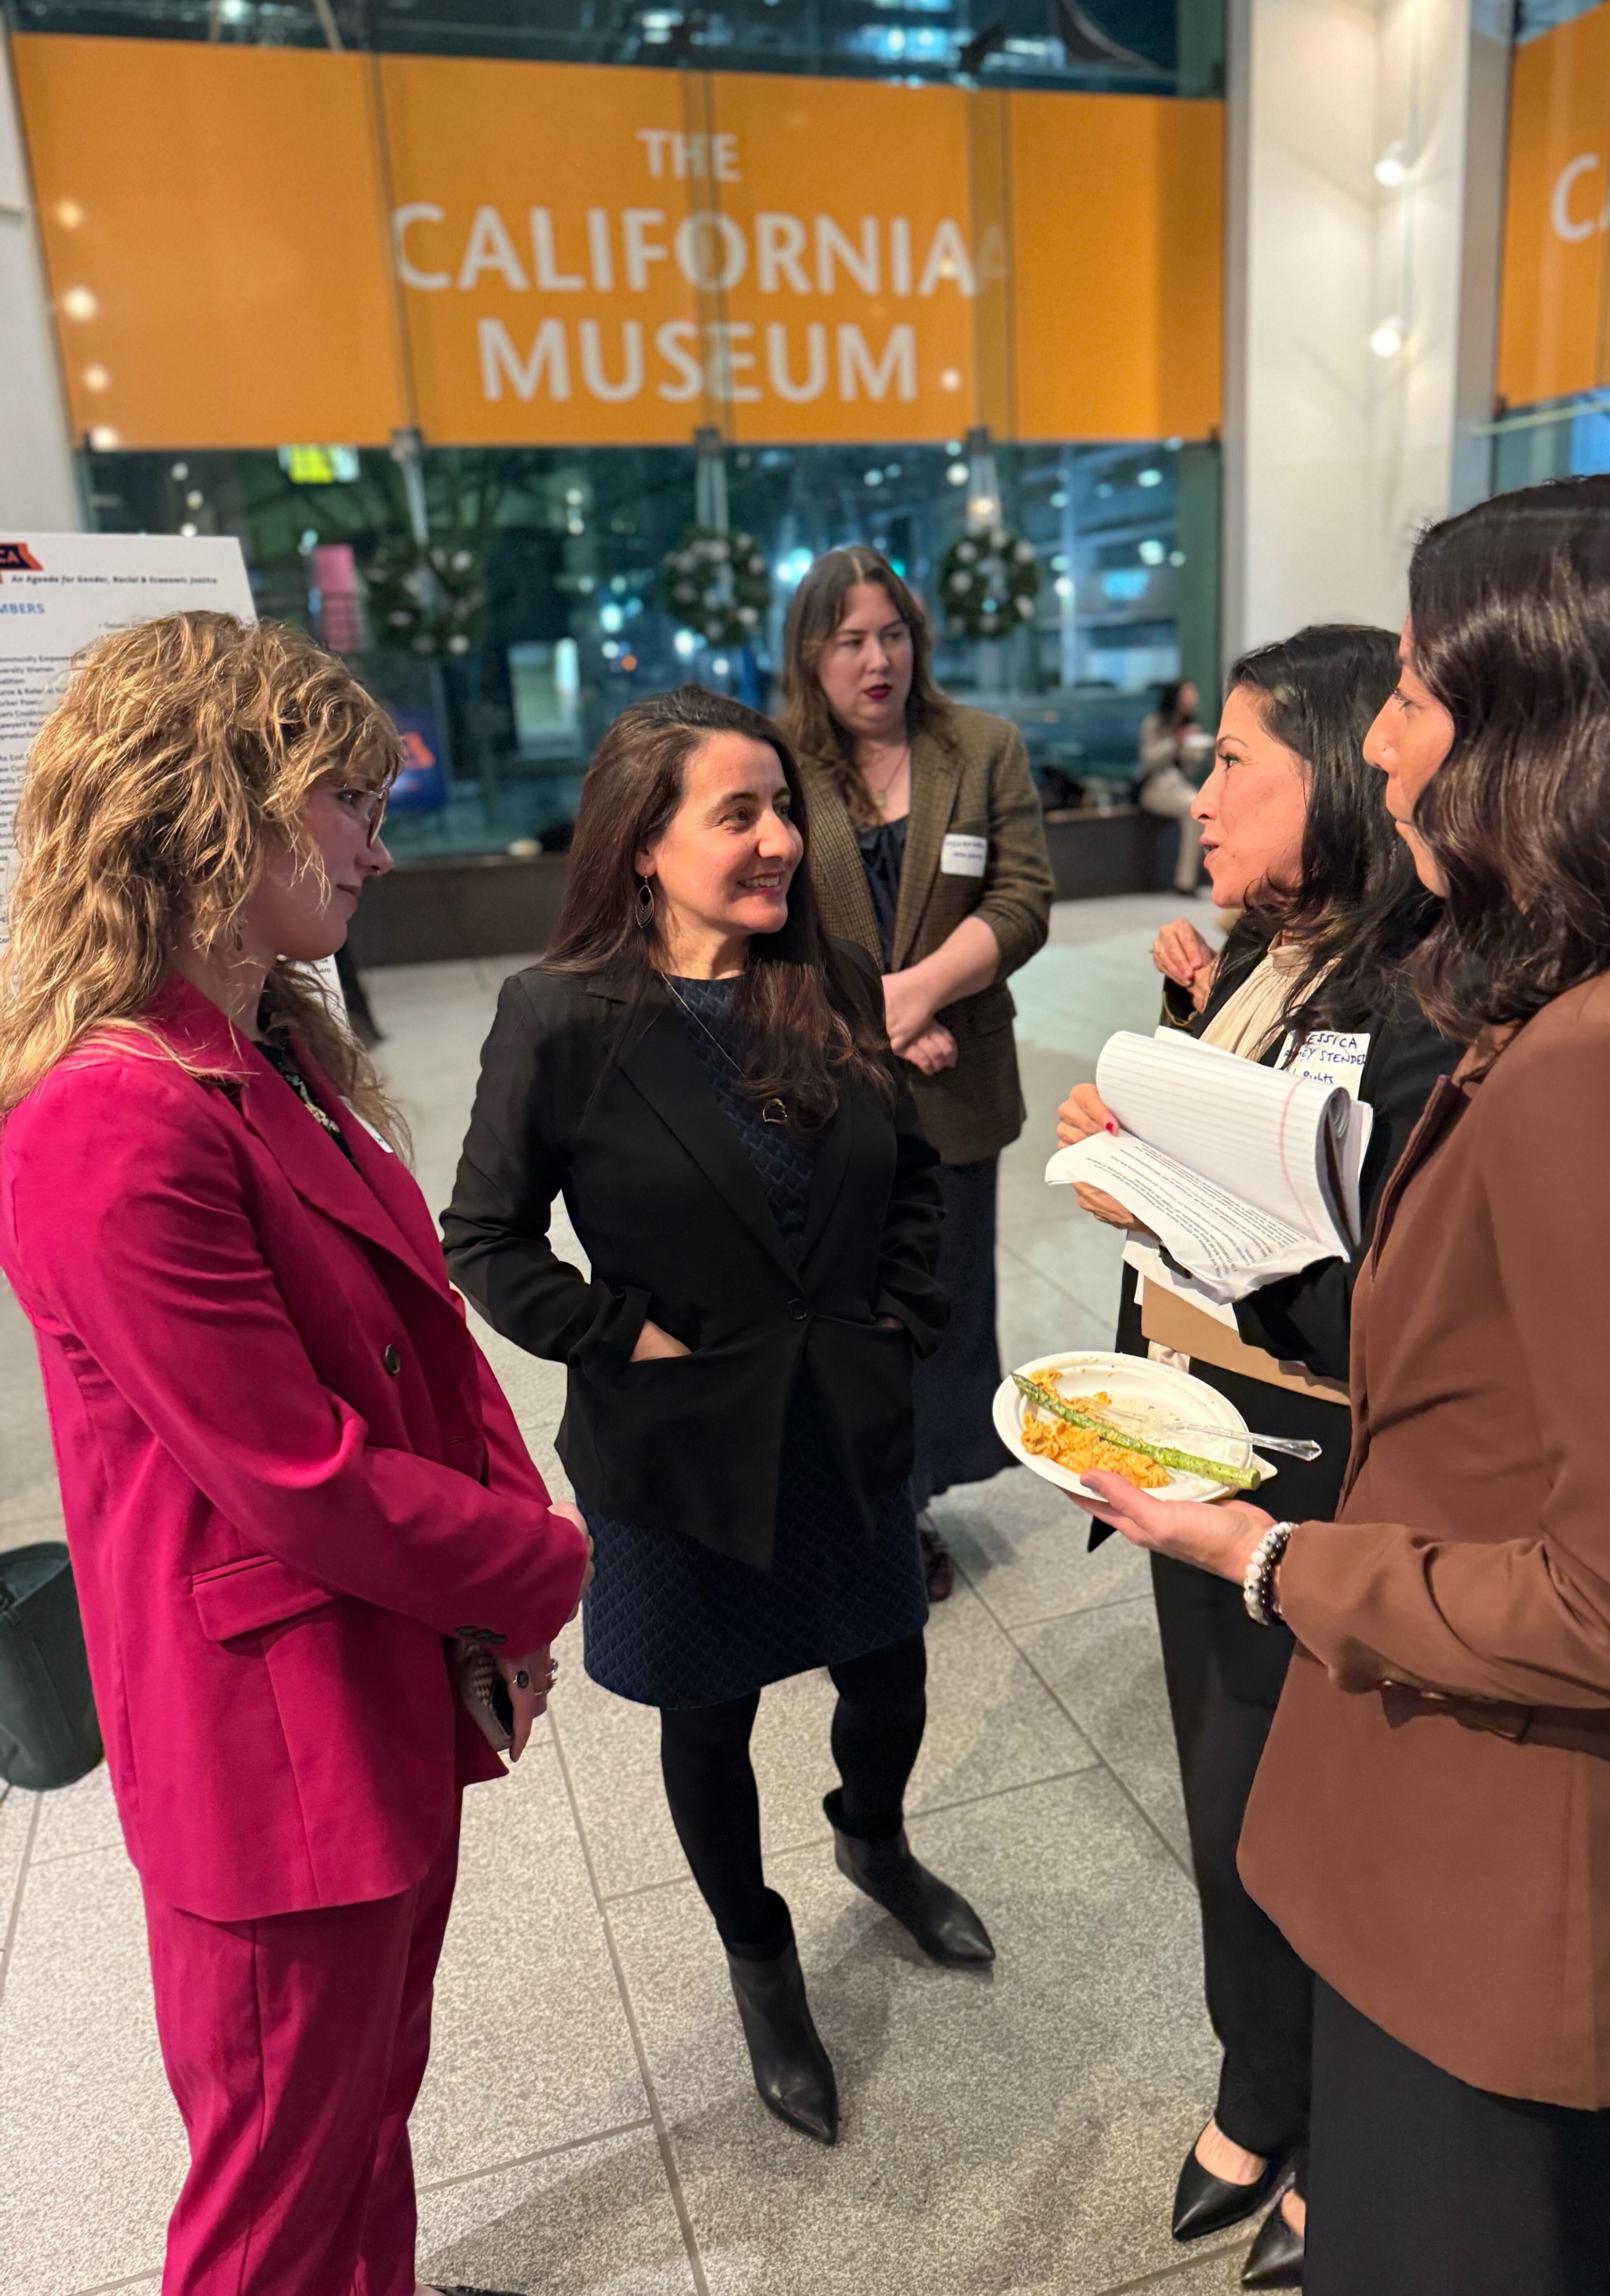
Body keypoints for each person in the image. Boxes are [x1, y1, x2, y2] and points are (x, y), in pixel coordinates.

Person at [1082, 473, 1610, 2296]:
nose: (1381, 750)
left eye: (1410, 689)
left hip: (1512, 1898)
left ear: (1562, 733)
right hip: (1515, 1871)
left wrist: (1262, 1557)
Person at [0, 612, 588, 2296]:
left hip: (371, 1675)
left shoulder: (261, 1053)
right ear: (214, 799)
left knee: (364, 2114)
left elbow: (424, 1348)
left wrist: (490, 1601)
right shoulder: (113, 1115)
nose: (374, 847)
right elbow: (299, 1474)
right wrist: (542, 1566)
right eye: (345, 800)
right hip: (270, 1755)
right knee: (271, 2192)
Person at [442, 686, 994, 2152]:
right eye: (734, 813)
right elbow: (486, 1238)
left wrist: (905, 1321)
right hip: (680, 1447)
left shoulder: (826, 978)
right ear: (641, 841)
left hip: (845, 1423)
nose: (776, 842)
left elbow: (913, 1180)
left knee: (890, 1684)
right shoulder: (562, 1018)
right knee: (712, 1722)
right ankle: (760, 1957)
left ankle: (870, 1840)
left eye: (779, 810)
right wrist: (623, 1331)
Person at [1057, 625, 1458, 2289]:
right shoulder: (1253, 954)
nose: (1199, 795)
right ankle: (1257, 2080)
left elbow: (1399, 1299)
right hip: (1197, 1442)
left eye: (1237, 765)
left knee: (1341, 1836)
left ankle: (1338, 2145)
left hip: (1332, 1486)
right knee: (1228, 1803)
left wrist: (1171, 1185)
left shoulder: (1437, 994)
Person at [781, 545, 1055, 1599]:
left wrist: (921, 993)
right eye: (849, 639)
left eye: (890, 633)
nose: (874, 658)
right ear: (809, 652)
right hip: (824, 1091)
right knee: (844, 1314)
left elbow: (1022, 900)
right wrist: (873, 1023)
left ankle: (913, 1503)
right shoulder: (778, 767)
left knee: (937, 1314)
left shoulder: (979, 747)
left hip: (953, 1089)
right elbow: (769, 925)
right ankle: (857, 1510)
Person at [1137, 677, 1211, 890]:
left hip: (1179, 788)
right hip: (1155, 788)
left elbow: (1190, 767)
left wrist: (1193, 747)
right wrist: (1175, 742)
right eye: (1188, 693)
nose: (1192, 698)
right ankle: (1185, 881)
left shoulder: (1191, 725)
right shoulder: (1155, 723)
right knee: (1194, 807)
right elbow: (1149, 759)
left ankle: (1187, 880)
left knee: (1198, 811)